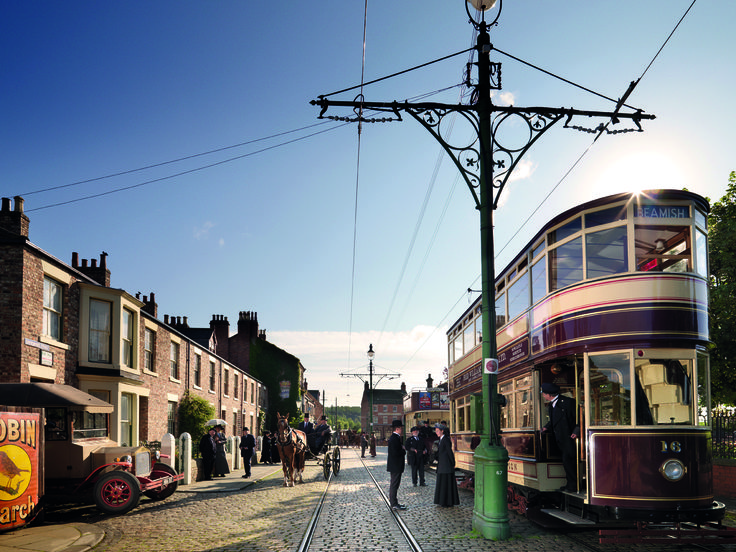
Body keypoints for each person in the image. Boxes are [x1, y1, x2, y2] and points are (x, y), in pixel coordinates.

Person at [541, 382, 579, 492]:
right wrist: (546, 427)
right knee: (566, 462)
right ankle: (570, 484)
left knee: (569, 461)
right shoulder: (552, 405)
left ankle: (573, 485)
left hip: (569, 437)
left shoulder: (568, 402)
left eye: (544, 393)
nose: (543, 395)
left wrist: (577, 430)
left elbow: (579, 417)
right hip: (560, 438)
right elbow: (553, 420)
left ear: (549, 395)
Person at [433, 423, 460, 507]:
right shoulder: (441, 439)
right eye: (436, 431)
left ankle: (446, 502)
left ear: (442, 431)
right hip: (442, 466)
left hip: (446, 466)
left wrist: (453, 463)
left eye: (438, 431)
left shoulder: (445, 439)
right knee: (443, 483)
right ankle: (443, 501)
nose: (436, 432)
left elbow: (449, 452)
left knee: (446, 484)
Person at [387, 419, 406, 510]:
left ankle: (395, 502)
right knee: (394, 484)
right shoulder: (395, 438)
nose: (402, 430)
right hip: (396, 465)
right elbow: (395, 452)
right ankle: (394, 503)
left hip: (395, 465)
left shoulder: (395, 437)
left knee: (395, 484)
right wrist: (403, 451)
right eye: (401, 428)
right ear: (397, 429)